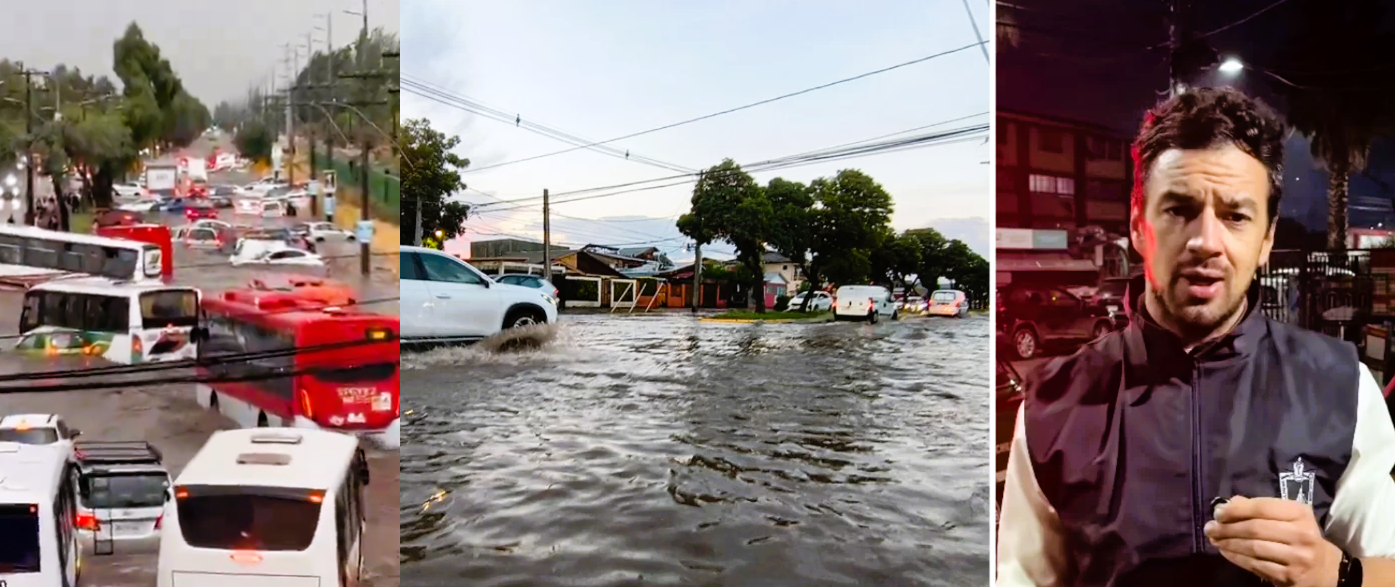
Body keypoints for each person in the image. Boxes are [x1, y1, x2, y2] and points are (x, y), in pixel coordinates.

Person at [997, 87, 1395, 586]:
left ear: (1267, 239)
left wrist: (1335, 574)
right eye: (1179, 210)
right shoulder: (1052, 403)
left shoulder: (1342, 388)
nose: (1206, 241)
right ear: (1139, 226)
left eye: (1235, 216)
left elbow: (1386, 566)